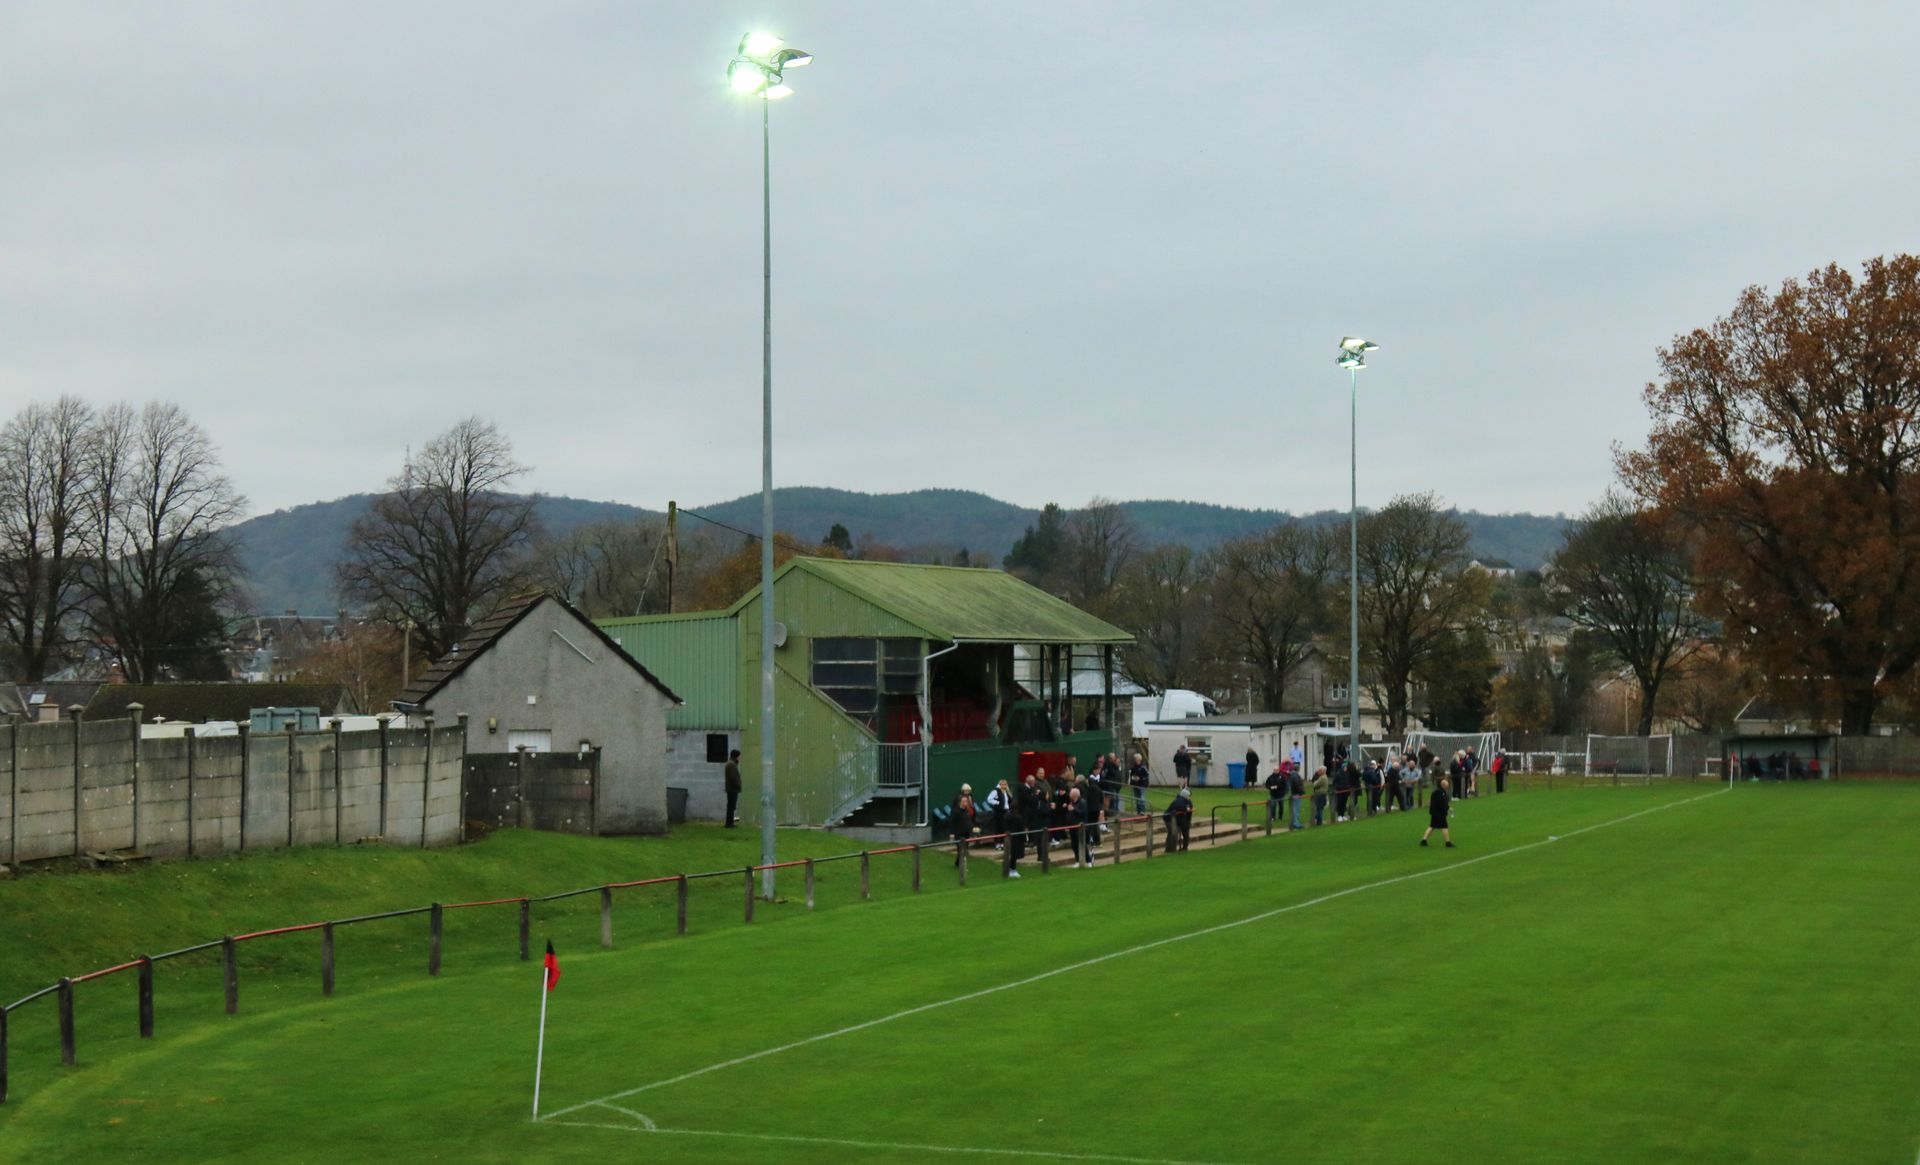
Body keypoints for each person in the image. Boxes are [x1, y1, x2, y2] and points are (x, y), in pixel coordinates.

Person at [1421, 776, 1454, 848]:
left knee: (1432, 826)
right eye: (1446, 786)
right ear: (1443, 785)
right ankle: (1448, 842)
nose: (1447, 787)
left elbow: (1443, 803)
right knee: (1444, 826)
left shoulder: (1440, 792)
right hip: (1439, 813)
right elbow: (1441, 804)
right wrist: (1446, 810)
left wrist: (1448, 808)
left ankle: (1424, 840)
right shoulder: (1439, 793)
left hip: (1435, 813)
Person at [950, 784, 977, 866]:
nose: (966, 803)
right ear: (960, 802)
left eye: (967, 802)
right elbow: (952, 822)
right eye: (964, 802)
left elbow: (969, 820)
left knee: (964, 848)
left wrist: (973, 828)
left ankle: (958, 863)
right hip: (959, 833)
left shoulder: (967, 811)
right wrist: (952, 833)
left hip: (966, 832)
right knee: (961, 849)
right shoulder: (956, 811)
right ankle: (961, 864)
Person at [1163, 785, 1193, 852]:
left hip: (1179, 819)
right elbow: (1184, 811)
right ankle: (1170, 849)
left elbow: (1188, 811)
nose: (1190, 797)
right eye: (1189, 796)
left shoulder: (1187, 801)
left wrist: (1187, 822)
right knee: (1173, 833)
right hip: (1169, 819)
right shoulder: (1179, 802)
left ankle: (1182, 848)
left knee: (1179, 833)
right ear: (1185, 796)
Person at [985, 779, 1012, 851]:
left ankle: (1002, 843)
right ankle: (997, 843)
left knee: (1004, 828)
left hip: (1006, 811)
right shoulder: (996, 791)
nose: (1004, 786)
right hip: (999, 812)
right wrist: (997, 803)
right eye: (1002, 784)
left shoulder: (1006, 792)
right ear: (1000, 784)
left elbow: (1009, 800)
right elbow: (989, 799)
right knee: (998, 828)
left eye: (1005, 784)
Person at [723, 748, 743, 828]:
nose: (739, 758)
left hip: (732, 788)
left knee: (731, 806)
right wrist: (738, 785)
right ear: (736, 756)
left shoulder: (731, 764)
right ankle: (729, 823)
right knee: (731, 806)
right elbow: (733, 777)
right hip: (732, 789)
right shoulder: (731, 765)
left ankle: (730, 822)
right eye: (739, 756)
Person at [1287, 762, 1306, 830]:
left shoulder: (1292, 775)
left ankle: (1296, 822)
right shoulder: (1295, 775)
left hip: (1294, 793)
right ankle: (1296, 823)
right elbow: (1297, 785)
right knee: (1296, 809)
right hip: (1296, 794)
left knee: (1295, 809)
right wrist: (1301, 792)